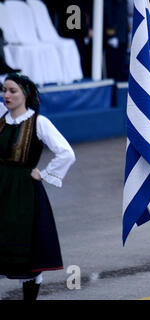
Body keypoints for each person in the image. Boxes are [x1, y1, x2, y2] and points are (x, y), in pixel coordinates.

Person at [0, 73, 76, 300]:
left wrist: (44, 174)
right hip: (1, 189)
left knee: (27, 249)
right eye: (4, 90)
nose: (6, 95)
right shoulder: (2, 120)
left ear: (25, 94)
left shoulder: (39, 122)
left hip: (23, 192)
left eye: (12, 91)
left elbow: (66, 153)